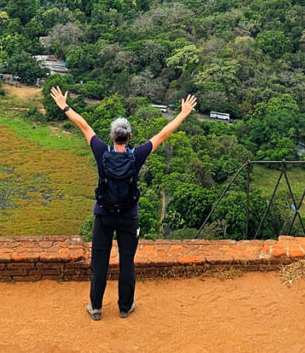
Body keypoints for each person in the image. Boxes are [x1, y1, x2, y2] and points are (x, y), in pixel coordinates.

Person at [49, 85, 198, 321]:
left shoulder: (101, 151)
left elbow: (84, 126)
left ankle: (96, 307)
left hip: (104, 215)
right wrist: (183, 113)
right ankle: (125, 307)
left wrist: (64, 106)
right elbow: (163, 134)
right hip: (129, 216)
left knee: (99, 260)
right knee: (127, 261)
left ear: (111, 136)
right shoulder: (136, 155)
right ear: (128, 137)